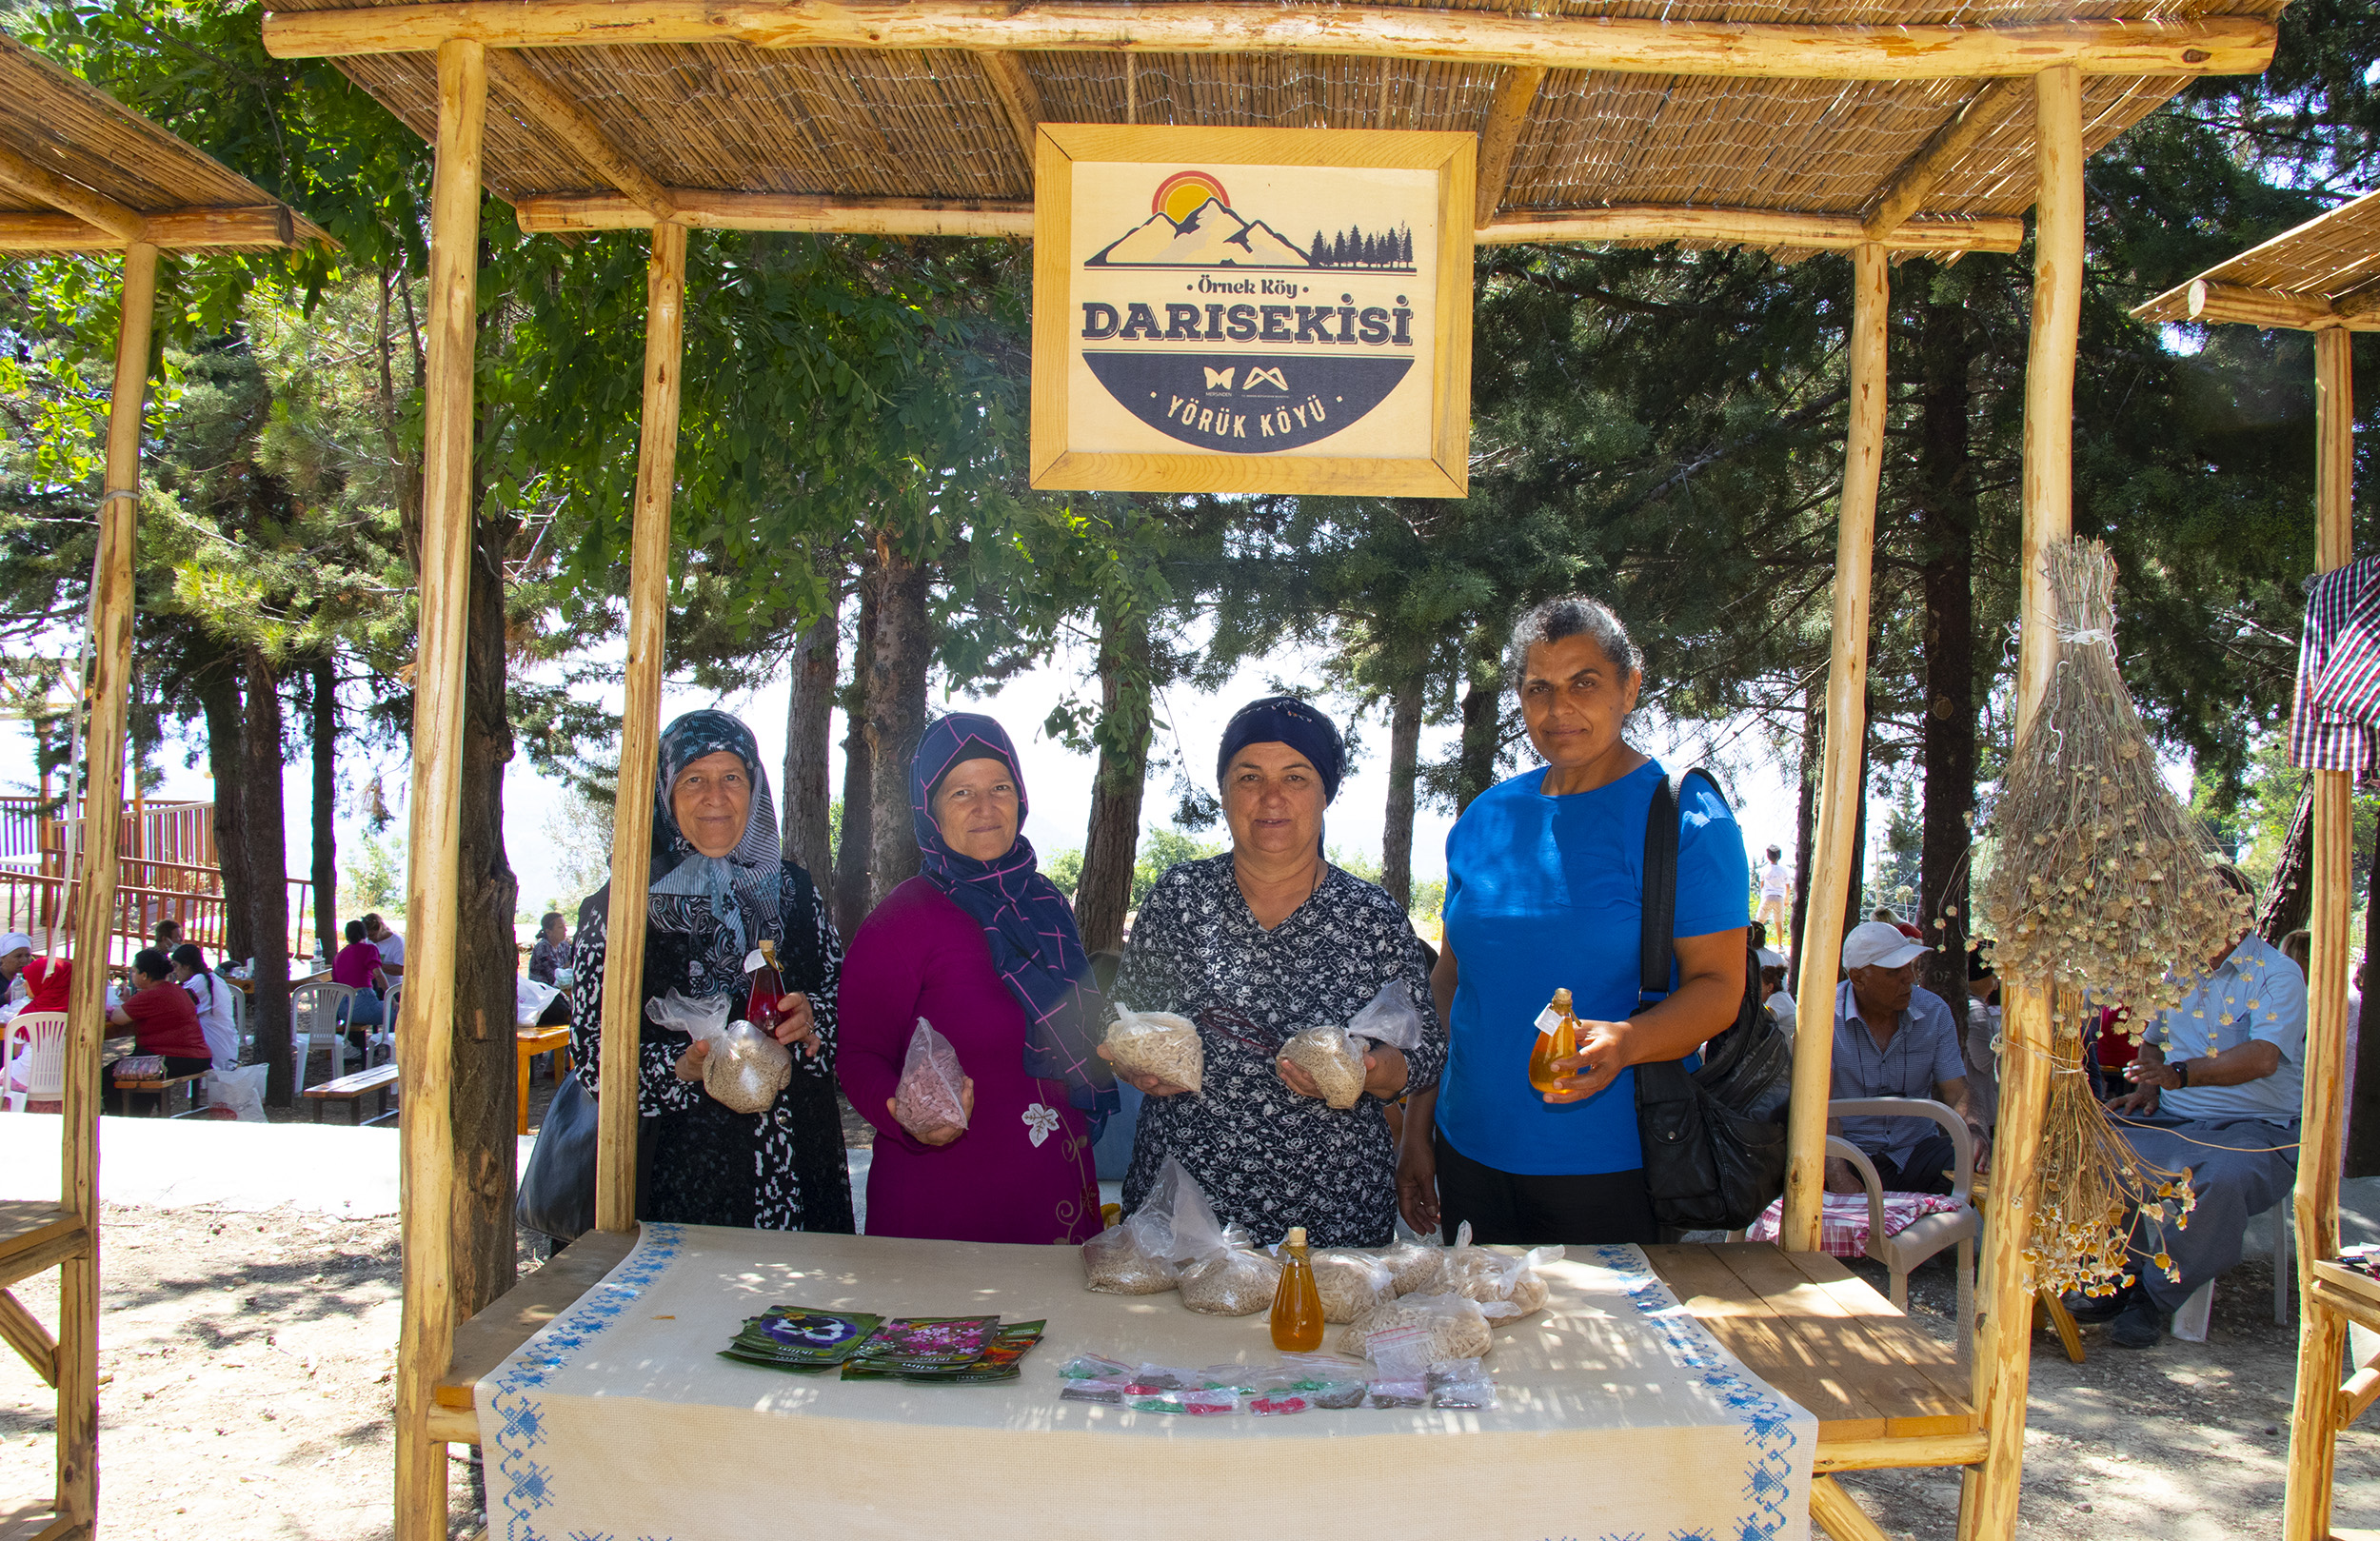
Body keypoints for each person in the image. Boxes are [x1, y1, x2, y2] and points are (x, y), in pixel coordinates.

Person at [1398, 597, 1748, 1247]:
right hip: (1469, 1154)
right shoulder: (1485, 818)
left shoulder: (1686, 819)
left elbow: (1719, 988)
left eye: (1584, 683)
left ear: (1630, 687)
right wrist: (1418, 1129)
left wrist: (1627, 1042)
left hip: (1614, 1166)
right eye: (1539, 688)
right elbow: (1451, 983)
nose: (1559, 708)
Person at [1107, 695, 1442, 1250]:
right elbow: (1123, 1022)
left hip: (1331, 1217)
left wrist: (1367, 1071)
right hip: (1183, 1208)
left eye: (1295, 777)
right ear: (1223, 791)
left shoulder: (1370, 916)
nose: (1271, 797)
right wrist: (1134, 1062)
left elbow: (1426, 1051)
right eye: (1249, 777)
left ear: (1325, 793)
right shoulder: (1179, 898)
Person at [837, 714, 1118, 1244]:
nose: (985, 807)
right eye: (961, 792)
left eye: (1000, 787)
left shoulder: (1047, 904)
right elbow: (858, 1055)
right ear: (930, 811)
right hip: (946, 1204)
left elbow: (1079, 1029)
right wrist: (906, 1116)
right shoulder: (903, 920)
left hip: (1057, 1194)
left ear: (1021, 798)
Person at [568, 709, 852, 1233]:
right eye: (694, 779)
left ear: (755, 788)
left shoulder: (795, 893)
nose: (715, 797)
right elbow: (592, 1059)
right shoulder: (619, 911)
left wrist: (813, 1021)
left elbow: (846, 1004)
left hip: (799, 1174)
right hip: (679, 1185)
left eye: (732, 778)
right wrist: (680, 1068)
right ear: (665, 794)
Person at [2073, 872, 2306, 1350]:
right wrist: (2150, 1085)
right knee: (2088, 1147)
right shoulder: (2180, 971)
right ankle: (2116, 1272)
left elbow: (2263, 1057)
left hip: (2254, 1128)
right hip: (2173, 1118)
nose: (2186, 918)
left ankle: (2155, 1295)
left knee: (2223, 1179)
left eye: (2200, 908)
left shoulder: (2277, 973)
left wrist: (2180, 1074)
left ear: (2240, 915)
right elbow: (2152, 1043)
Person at [1825, 920, 1988, 1195]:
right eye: (1894, 972)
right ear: (1857, 978)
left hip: (1916, 1151)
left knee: (1973, 1165)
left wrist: (1974, 1131)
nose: (1909, 978)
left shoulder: (1934, 1011)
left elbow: (1957, 1090)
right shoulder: (1825, 1016)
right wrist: (1837, 1174)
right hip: (1848, 1152)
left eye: (1910, 967)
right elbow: (1818, 1106)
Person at [104, 947, 212, 1108]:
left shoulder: (151, 994)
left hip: (175, 1058)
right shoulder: (176, 990)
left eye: (134, 971)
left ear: (144, 975)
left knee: (107, 1076)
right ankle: (138, 1113)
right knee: (138, 1062)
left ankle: (123, 1117)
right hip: (196, 1057)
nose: (131, 975)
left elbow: (117, 1018)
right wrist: (129, 1002)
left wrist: (121, 1003)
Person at [170, 943, 240, 1071]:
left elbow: (172, 1007)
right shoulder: (215, 979)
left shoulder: (198, 981)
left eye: (175, 966)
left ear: (186, 966)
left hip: (213, 1052)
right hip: (228, 1048)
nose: (174, 971)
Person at [329, 919, 389, 1048]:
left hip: (343, 1008)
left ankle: (352, 1047)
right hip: (362, 1002)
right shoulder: (369, 949)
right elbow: (378, 974)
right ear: (365, 934)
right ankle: (391, 1050)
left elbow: (336, 983)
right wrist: (390, 996)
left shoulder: (338, 956)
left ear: (347, 937)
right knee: (398, 1012)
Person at [1962, 945, 2001, 1131]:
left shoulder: (1971, 1004)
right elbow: (1984, 1062)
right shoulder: (1975, 1008)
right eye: (1994, 977)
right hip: (1980, 1107)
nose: (1996, 984)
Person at [526, 910, 573, 1027]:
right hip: (545, 997)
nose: (565, 930)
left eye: (565, 926)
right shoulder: (542, 948)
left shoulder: (564, 945)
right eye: (560, 927)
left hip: (561, 993)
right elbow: (555, 976)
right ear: (548, 931)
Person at [1754, 845, 1793, 940]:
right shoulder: (1783, 870)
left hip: (1767, 896)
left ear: (1768, 856)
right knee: (1779, 923)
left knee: (1759, 921)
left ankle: (1755, 941)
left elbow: (1762, 885)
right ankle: (1780, 945)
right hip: (1779, 897)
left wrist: (1762, 897)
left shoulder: (1764, 869)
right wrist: (1786, 899)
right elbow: (1788, 887)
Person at [1760, 955, 1797, 1041]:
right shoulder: (1782, 996)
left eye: (1759, 985)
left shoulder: (1777, 998)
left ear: (1770, 987)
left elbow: (1768, 1019)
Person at [0, 932, 31, 1005]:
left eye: (27, 955)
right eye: (18, 956)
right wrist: (5, 997)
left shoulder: (32, 977)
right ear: (2, 958)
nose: (24, 960)